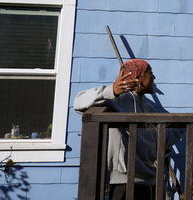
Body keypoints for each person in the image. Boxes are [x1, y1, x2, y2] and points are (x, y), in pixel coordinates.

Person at [74, 59, 181, 200]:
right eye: (151, 73)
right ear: (139, 77)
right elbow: (78, 103)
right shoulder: (116, 98)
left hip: (149, 181)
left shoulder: (149, 108)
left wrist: (181, 127)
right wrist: (111, 90)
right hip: (124, 182)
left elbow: (155, 142)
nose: (154, 78)